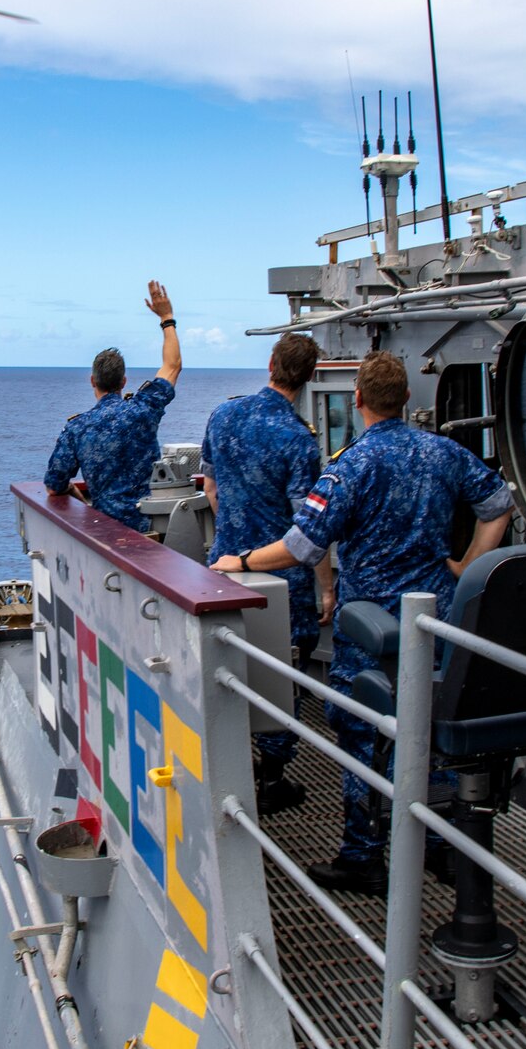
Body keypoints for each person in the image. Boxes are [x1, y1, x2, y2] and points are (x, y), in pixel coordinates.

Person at [210, 350, 513, 895]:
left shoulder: (350, 466)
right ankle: (442, 848)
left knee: (361, 730)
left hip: (371, 625)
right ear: (406, 399)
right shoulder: (443, 452)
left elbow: (302, 545)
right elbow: (498, 503)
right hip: (435, 616)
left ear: (357, 400)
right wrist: (467, 567)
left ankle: (364, 856)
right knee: (432, 722)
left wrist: (244, 560)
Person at [201, 333, 334, 815]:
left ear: (272, 362)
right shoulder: (298, 440)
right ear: (310, 377)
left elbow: (211, 488)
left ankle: (227, 764)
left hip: (223, 568)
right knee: (282, 677)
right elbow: (309, 530)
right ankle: (271, 778)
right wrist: (327, 588)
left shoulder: (223, 415)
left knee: (224, 666)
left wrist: (233, 538)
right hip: (282, 581)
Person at [44, 281, 182, 531]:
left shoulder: (77, 429)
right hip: (152, 529)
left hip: (107, 533)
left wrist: (76, 496)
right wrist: (166, 318)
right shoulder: (143, 409)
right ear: (124, 382)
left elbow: (54, 486)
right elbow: (172, 366)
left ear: (92, 381)